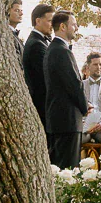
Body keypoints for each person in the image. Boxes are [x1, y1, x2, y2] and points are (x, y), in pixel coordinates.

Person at [43, 10, 86, 169]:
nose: (76, 28)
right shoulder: (62, 51)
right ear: (62, 26)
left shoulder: (53, 49)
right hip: (67, 120)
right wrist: (85, 107)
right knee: (68, 169)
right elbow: (74, 84)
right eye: (73, 25)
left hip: (58, 119)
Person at [22, 1, 54, 123]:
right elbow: (45, 77)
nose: (53, 25)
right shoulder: (36, 44)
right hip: (42, 106)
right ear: (38, 21)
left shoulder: (41, 42)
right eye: (50, 21)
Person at [6, 0, 24, 64]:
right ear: (7, 12)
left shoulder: (15, 34)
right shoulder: (7, 35)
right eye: (17, 10)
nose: (21, 14)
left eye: (21, 11)